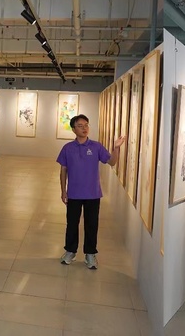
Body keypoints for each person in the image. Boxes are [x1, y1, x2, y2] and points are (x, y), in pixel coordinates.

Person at [58, 115, 124, 270]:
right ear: (73, 129)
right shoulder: (67, 148)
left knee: (92, 225)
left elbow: (112, 162)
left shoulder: (96, 147)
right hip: (74, 193)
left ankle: (90, 254)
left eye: (86, 125)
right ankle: (70, 251)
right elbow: (63, 170)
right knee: (72, 223)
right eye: (80, 126)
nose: (84, 128)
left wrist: (116, 148)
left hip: (93, 194)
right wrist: (63, 191)